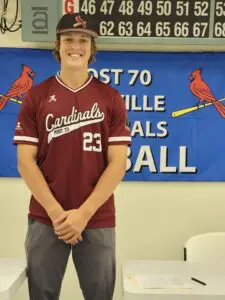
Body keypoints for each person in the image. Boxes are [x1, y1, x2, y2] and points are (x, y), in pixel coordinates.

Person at [13, 13, 131, 300]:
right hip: (45, 216)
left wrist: (84, 214)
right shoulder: (37, 96)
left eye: (83, 40)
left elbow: (117, 164)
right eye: (69, 40)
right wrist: (57, 214)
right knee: (41, 294)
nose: (75, 46)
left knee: (99, 295)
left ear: (91, 48)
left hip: (96, 216)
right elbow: (25, 162)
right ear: (58, 45)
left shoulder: (110, 98)